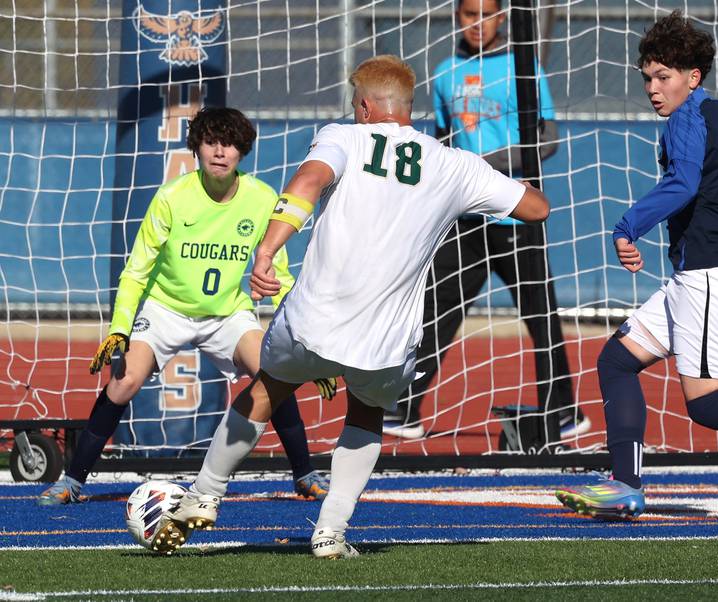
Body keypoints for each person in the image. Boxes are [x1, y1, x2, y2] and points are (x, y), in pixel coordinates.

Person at [156, 54, 551, 557]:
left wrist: (267, 250)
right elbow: (537, 208)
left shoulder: (343, 136)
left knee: (267, 389)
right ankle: (330, 533)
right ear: (407, 108)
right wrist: (481, 177)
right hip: (384, 341)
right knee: (366, 412)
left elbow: (307, 183)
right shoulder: (453, 165)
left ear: (364, 107)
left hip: (311, 322)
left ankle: (205, 495)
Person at [554, 10, 718, 519]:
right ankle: (625, 486)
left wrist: (628, 226)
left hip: (712, 275)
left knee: (707, 403)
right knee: (617, 360)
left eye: (663, 76)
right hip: (701, 274)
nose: (653, 87)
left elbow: (684, 184)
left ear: (693, 77)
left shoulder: (689, 119)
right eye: (647, 77)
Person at [38, 107, 331, 507]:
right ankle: (72, 480)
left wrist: (303, 342)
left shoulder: (263, 199)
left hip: (228, 312)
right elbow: (136, 271)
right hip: (166, 310)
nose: (220, 151)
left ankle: (305, 474)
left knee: (273, 374)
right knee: (124, 381)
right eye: (211, 141)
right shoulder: (172, 197)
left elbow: (277, 276)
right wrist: (120, 328)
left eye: (229, 144)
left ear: (242, 151)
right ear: (197, 146)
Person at [383, 0, 588, 440]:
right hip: (465, 221)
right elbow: (441, 144)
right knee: (434, 315)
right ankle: (405, 412)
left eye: (485, 14)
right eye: (467, 13)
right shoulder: (444, 71)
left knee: (541, 318)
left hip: (516, 218)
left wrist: (484, 166)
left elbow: (547, 139)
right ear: (457, 17)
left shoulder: (523, 65)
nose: (477, 22)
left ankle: (566, 413)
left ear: (501, 18)